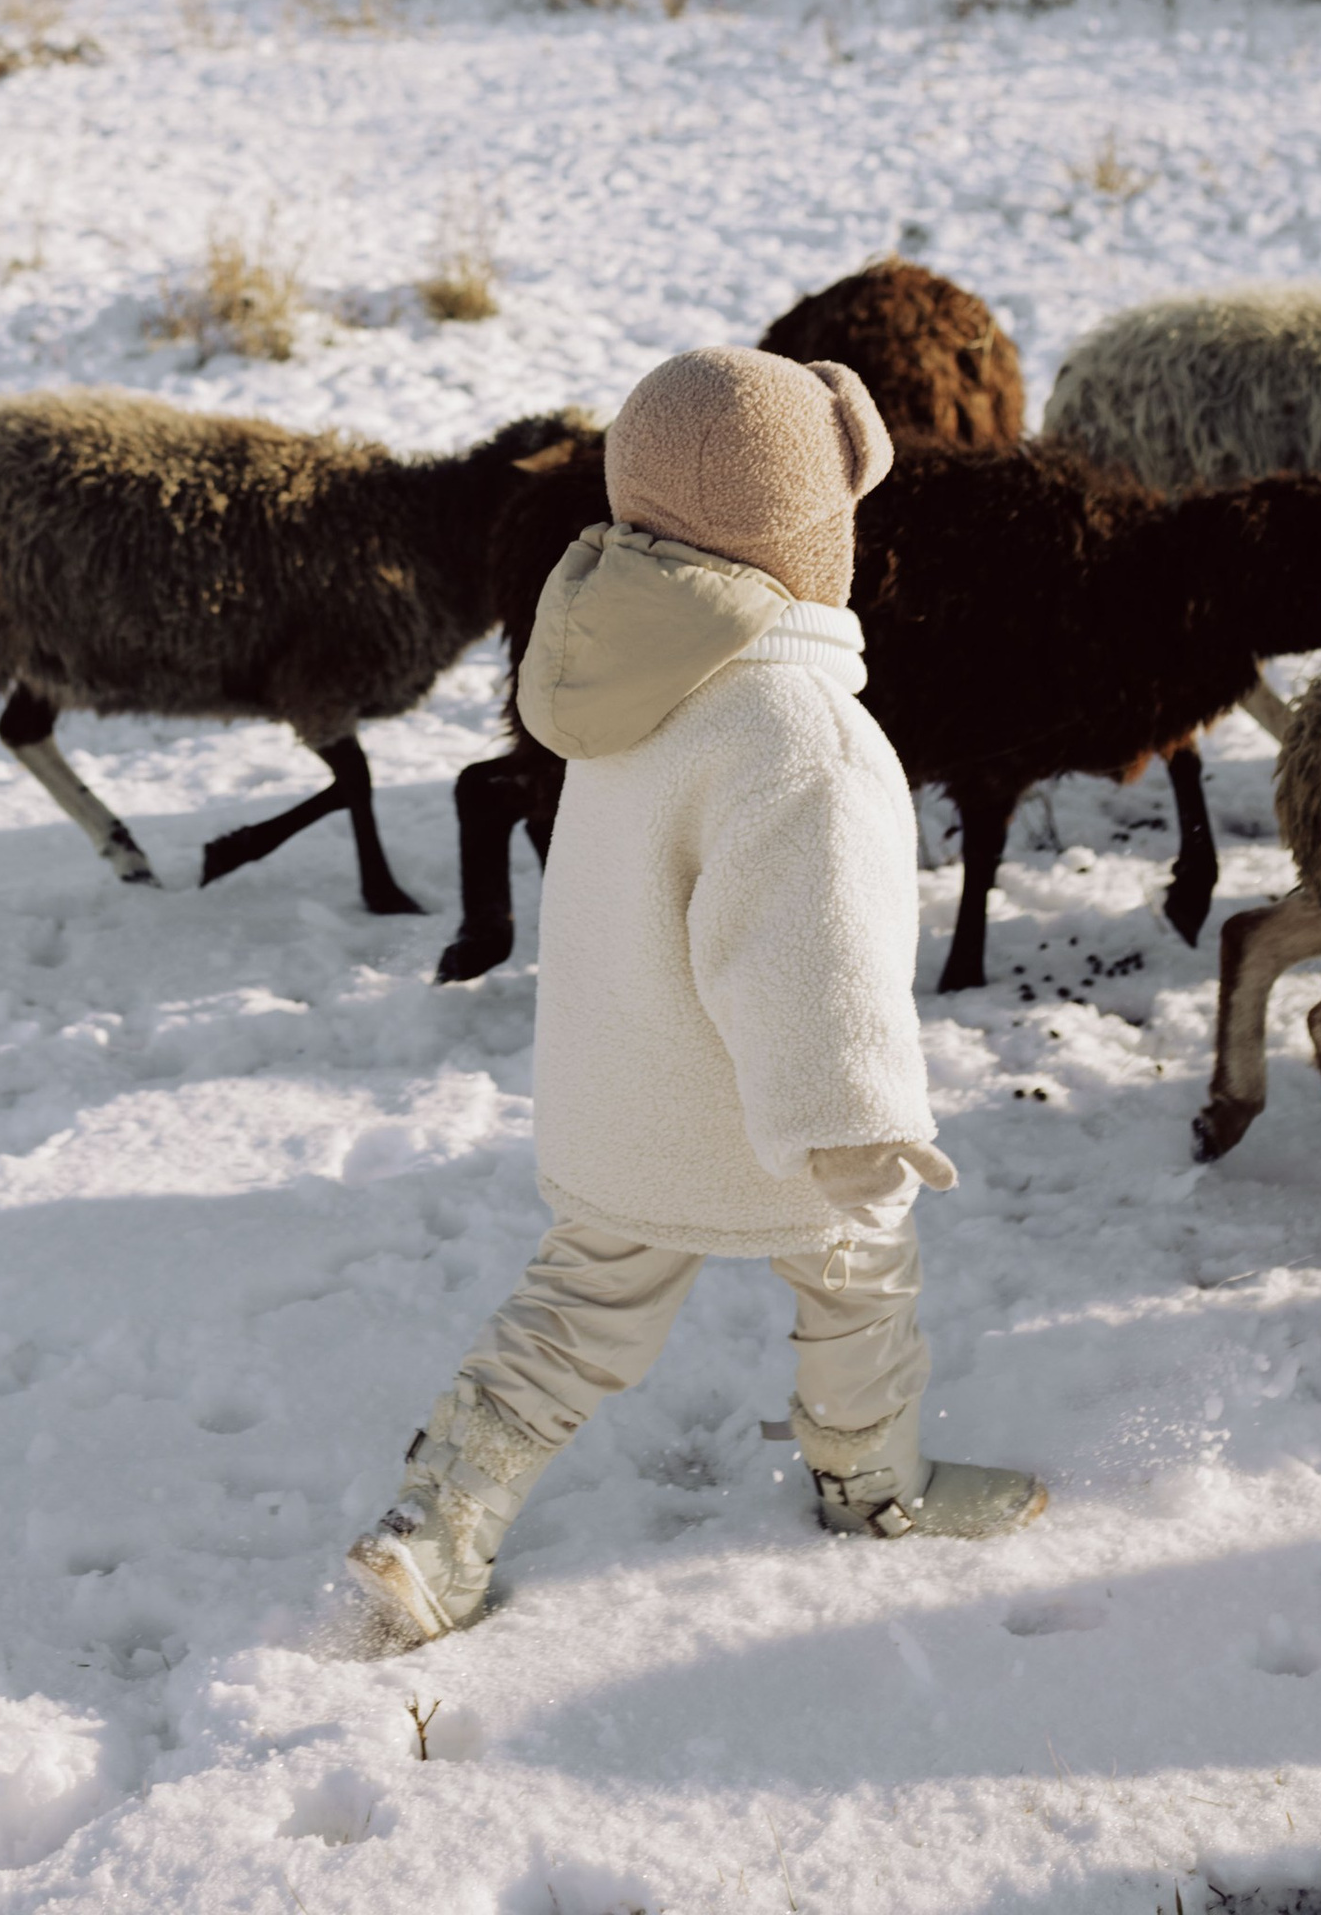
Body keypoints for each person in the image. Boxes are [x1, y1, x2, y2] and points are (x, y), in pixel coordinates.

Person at [348, 344, 1044, 1642]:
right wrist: (853, 1123)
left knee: (569, 1318)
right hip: (774, 1106)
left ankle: (435, 1526)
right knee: (859, 1279)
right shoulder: (797, 726)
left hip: (625, 1084)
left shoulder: (626, 671)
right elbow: (807, 951)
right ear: (801, 527)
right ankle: (873, 1484)